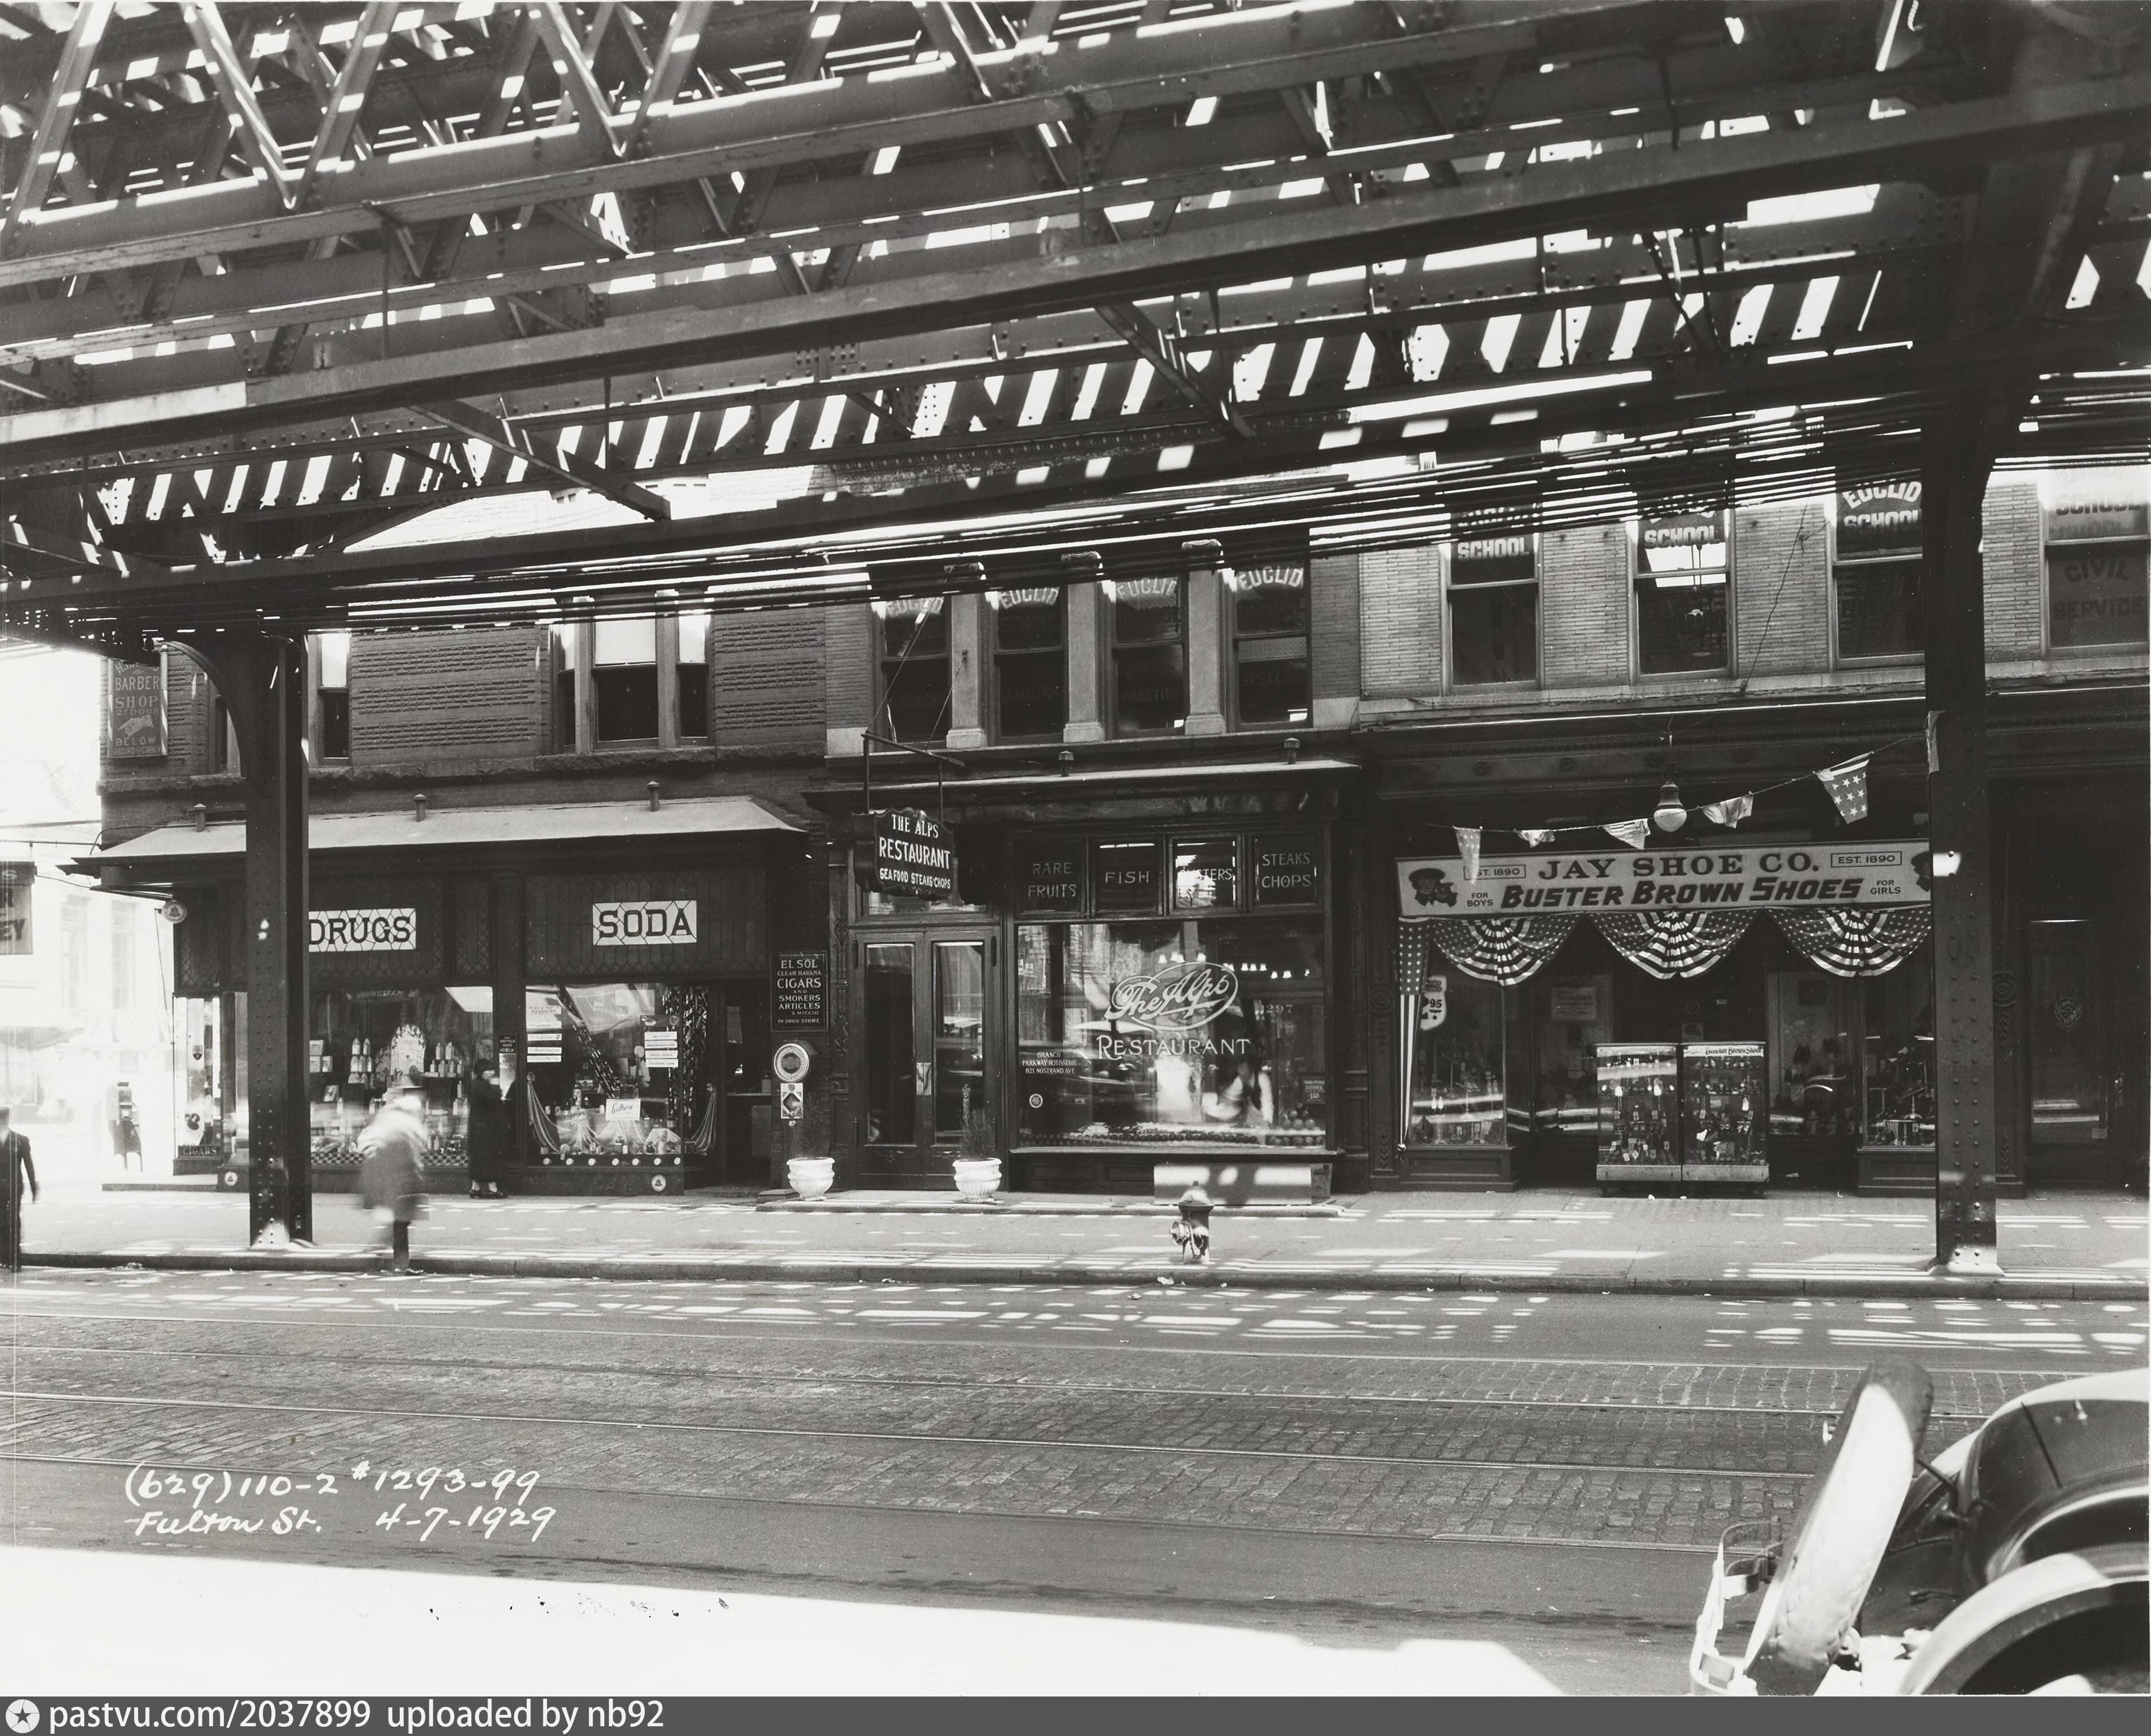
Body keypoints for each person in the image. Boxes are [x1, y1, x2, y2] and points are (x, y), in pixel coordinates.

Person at [355, 1072, 429, 1272]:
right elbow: (418, 1142)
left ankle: (394, 1258)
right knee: (402, 1219)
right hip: (400, 1173)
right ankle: (397, 1261)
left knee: (400, 1218)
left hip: (391, 1172)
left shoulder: (391, 1113)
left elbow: (367, 1140)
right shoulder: (406, 1116)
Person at [464, 1057, 510, 1200]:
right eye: (489, 1070)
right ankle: (493, 1189)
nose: (492, 1073)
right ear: (482, 1072)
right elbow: (493, 1098)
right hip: (485, 1129)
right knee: (489, 1157)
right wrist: (496, 1087)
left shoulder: (477, 1084)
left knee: (479, 1158)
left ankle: (475, 1188)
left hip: (479, 1128)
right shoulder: (482, 1086)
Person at [0, 1104, 38, 1272]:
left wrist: (34, 1187)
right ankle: (5, 1257)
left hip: (14, 1187)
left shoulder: (21, 1140)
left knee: (14, 1221)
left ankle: (15, 1260)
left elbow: (29, 1166)